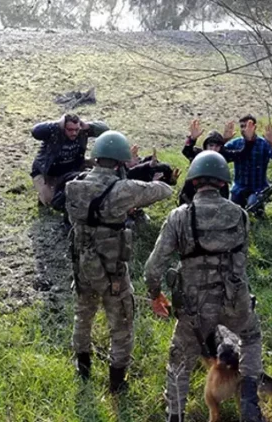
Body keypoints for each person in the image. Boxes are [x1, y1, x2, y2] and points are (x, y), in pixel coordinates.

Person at [144, 151, 265, 422]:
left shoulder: (180, 216)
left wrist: (155, 294)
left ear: (194, 182)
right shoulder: (241, 215)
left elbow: (153, 267)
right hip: (235, 300)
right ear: (223, 183)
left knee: (180, 359)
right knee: (251, 337)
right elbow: (241, 260)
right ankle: (248, 396)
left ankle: (175, 415)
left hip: (194, 305)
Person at [65, 131, 173, 393]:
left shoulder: (73, 186)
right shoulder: (125, 188)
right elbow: (164, 191)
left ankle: (83, 367)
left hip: (83, 266)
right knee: (121, 323)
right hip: (112, 270)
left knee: (83, 315)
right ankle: (117, 382)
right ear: (120, 162)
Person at [30, 114, 109, 206]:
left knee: (94, 163)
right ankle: (44, 192)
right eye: (70, 130)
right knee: (50, 201)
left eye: (76, 129)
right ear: (63, 128)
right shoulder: (54, 132)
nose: (74, 133)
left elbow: (105, 129)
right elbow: (35, 131)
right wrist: (58, 124)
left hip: (72, 167)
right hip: (47, 172)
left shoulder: (83, 131)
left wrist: (88, 125)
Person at [179, 119, 248, 204]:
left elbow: (242, 154)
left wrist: (248, 139)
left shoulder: (222, 156)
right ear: (206, 146)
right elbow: (186, 151)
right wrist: (192, 139)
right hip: (194, 192)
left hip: (217, 193)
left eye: (217, 146)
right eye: (211, 145)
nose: (213, 149)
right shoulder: (199, 155)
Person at [224, 114, 272, 210]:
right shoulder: (236, 143)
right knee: (232, 210)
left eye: (248, 126)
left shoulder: (263, 143)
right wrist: (224, 139)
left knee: (253, 206)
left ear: (255, 127)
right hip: (239, 188)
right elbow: (219, 154)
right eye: (242, 126)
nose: (245, 129)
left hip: (258, 189)